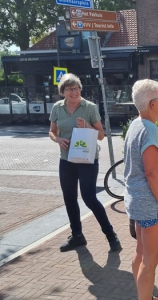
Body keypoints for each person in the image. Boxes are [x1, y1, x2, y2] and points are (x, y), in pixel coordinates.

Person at [49, 73, 121, 253]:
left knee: (89, 197)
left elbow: (101, 135)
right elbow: (51, 131)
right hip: (66, 159)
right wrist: (57, 139)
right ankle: (77, 236)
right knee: (69, 198)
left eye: (76, 88)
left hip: (87, 159)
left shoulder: (89, 107)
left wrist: (87, 127)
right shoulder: (57, 108)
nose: (73, 92)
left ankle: (111, 235)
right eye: (69, 89)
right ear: (63, 91)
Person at [124, 79, 158, 300]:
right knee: (149, 262)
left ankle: (144, 297)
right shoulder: (150, 131)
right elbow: (151, 173)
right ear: (152, 103)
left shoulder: (135, 124)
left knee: (140, 254)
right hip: (152, 207)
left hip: (138, 203)